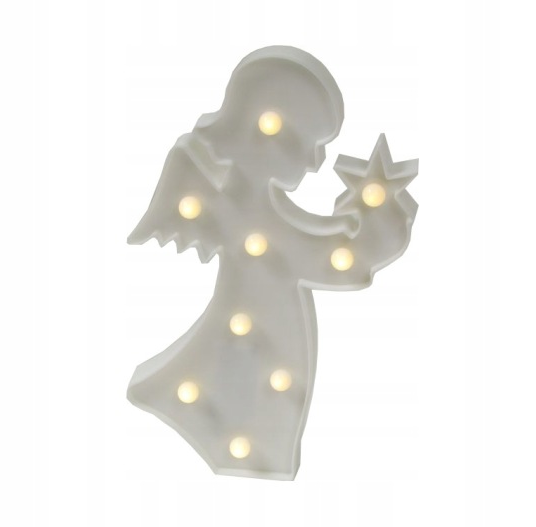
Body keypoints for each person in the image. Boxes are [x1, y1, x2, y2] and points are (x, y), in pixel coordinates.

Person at [127, 46, 418, 480]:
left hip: (261, 343)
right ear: (267, 126)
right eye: (309, 143)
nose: (316, 161)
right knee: (252, 407)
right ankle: (241, 448)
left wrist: (367, 240)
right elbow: (325, 260)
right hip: (249, 344)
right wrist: (371, 242)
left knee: (263, 405)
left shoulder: (254, 213)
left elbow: (320, 253)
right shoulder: (236, 210)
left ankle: (248, 449)